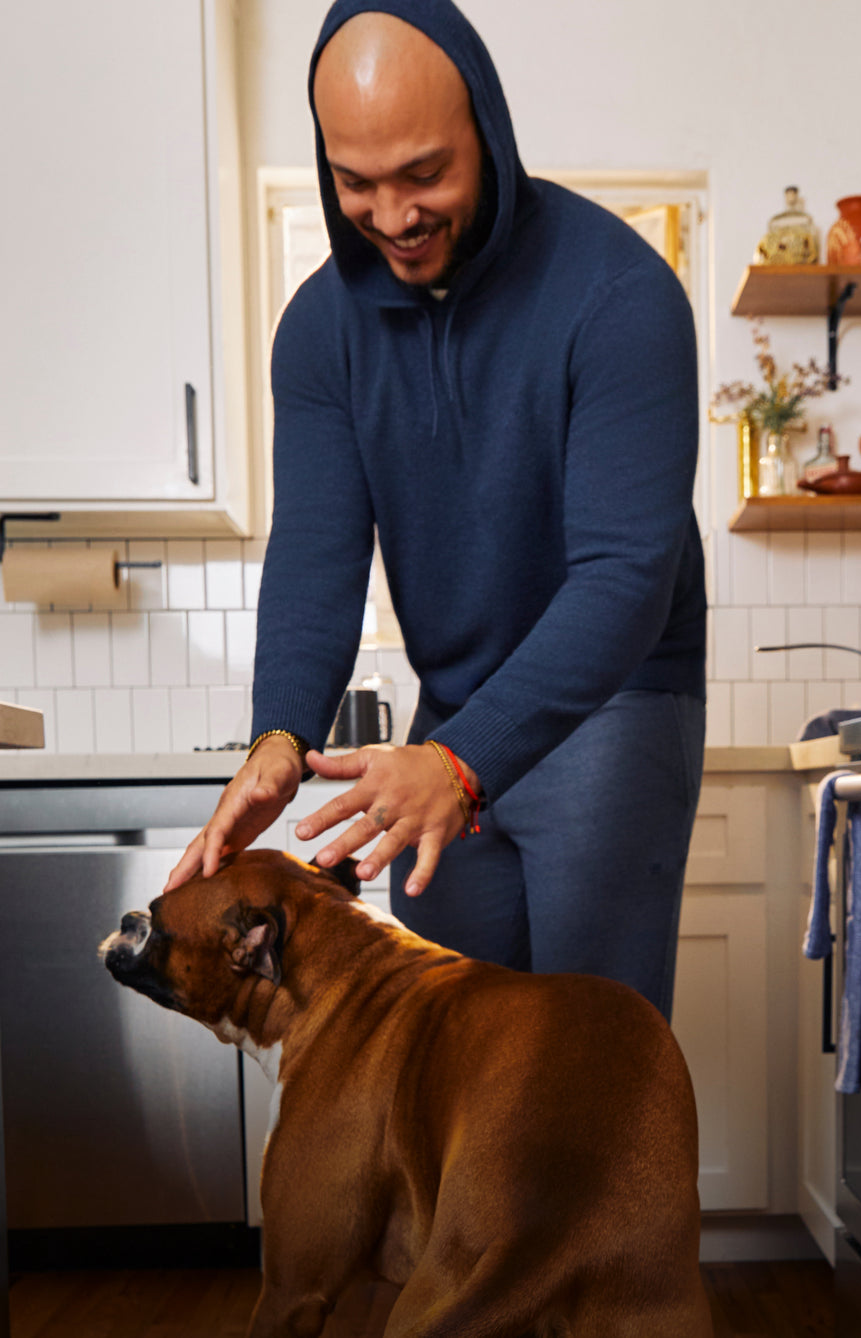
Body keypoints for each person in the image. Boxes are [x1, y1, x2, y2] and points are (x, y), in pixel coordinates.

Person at [167, 0, 706, 1021]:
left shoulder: (620, 295)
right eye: (355, 182)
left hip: (613, 699)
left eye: (424, 173)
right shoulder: (319, 330)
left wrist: (461, 763)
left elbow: (626, 576)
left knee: (590, 1048)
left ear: (487, 133)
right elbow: (317, 553)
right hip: (450, 709)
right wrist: (277, 733)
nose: (392, 215)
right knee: (448, 1044)